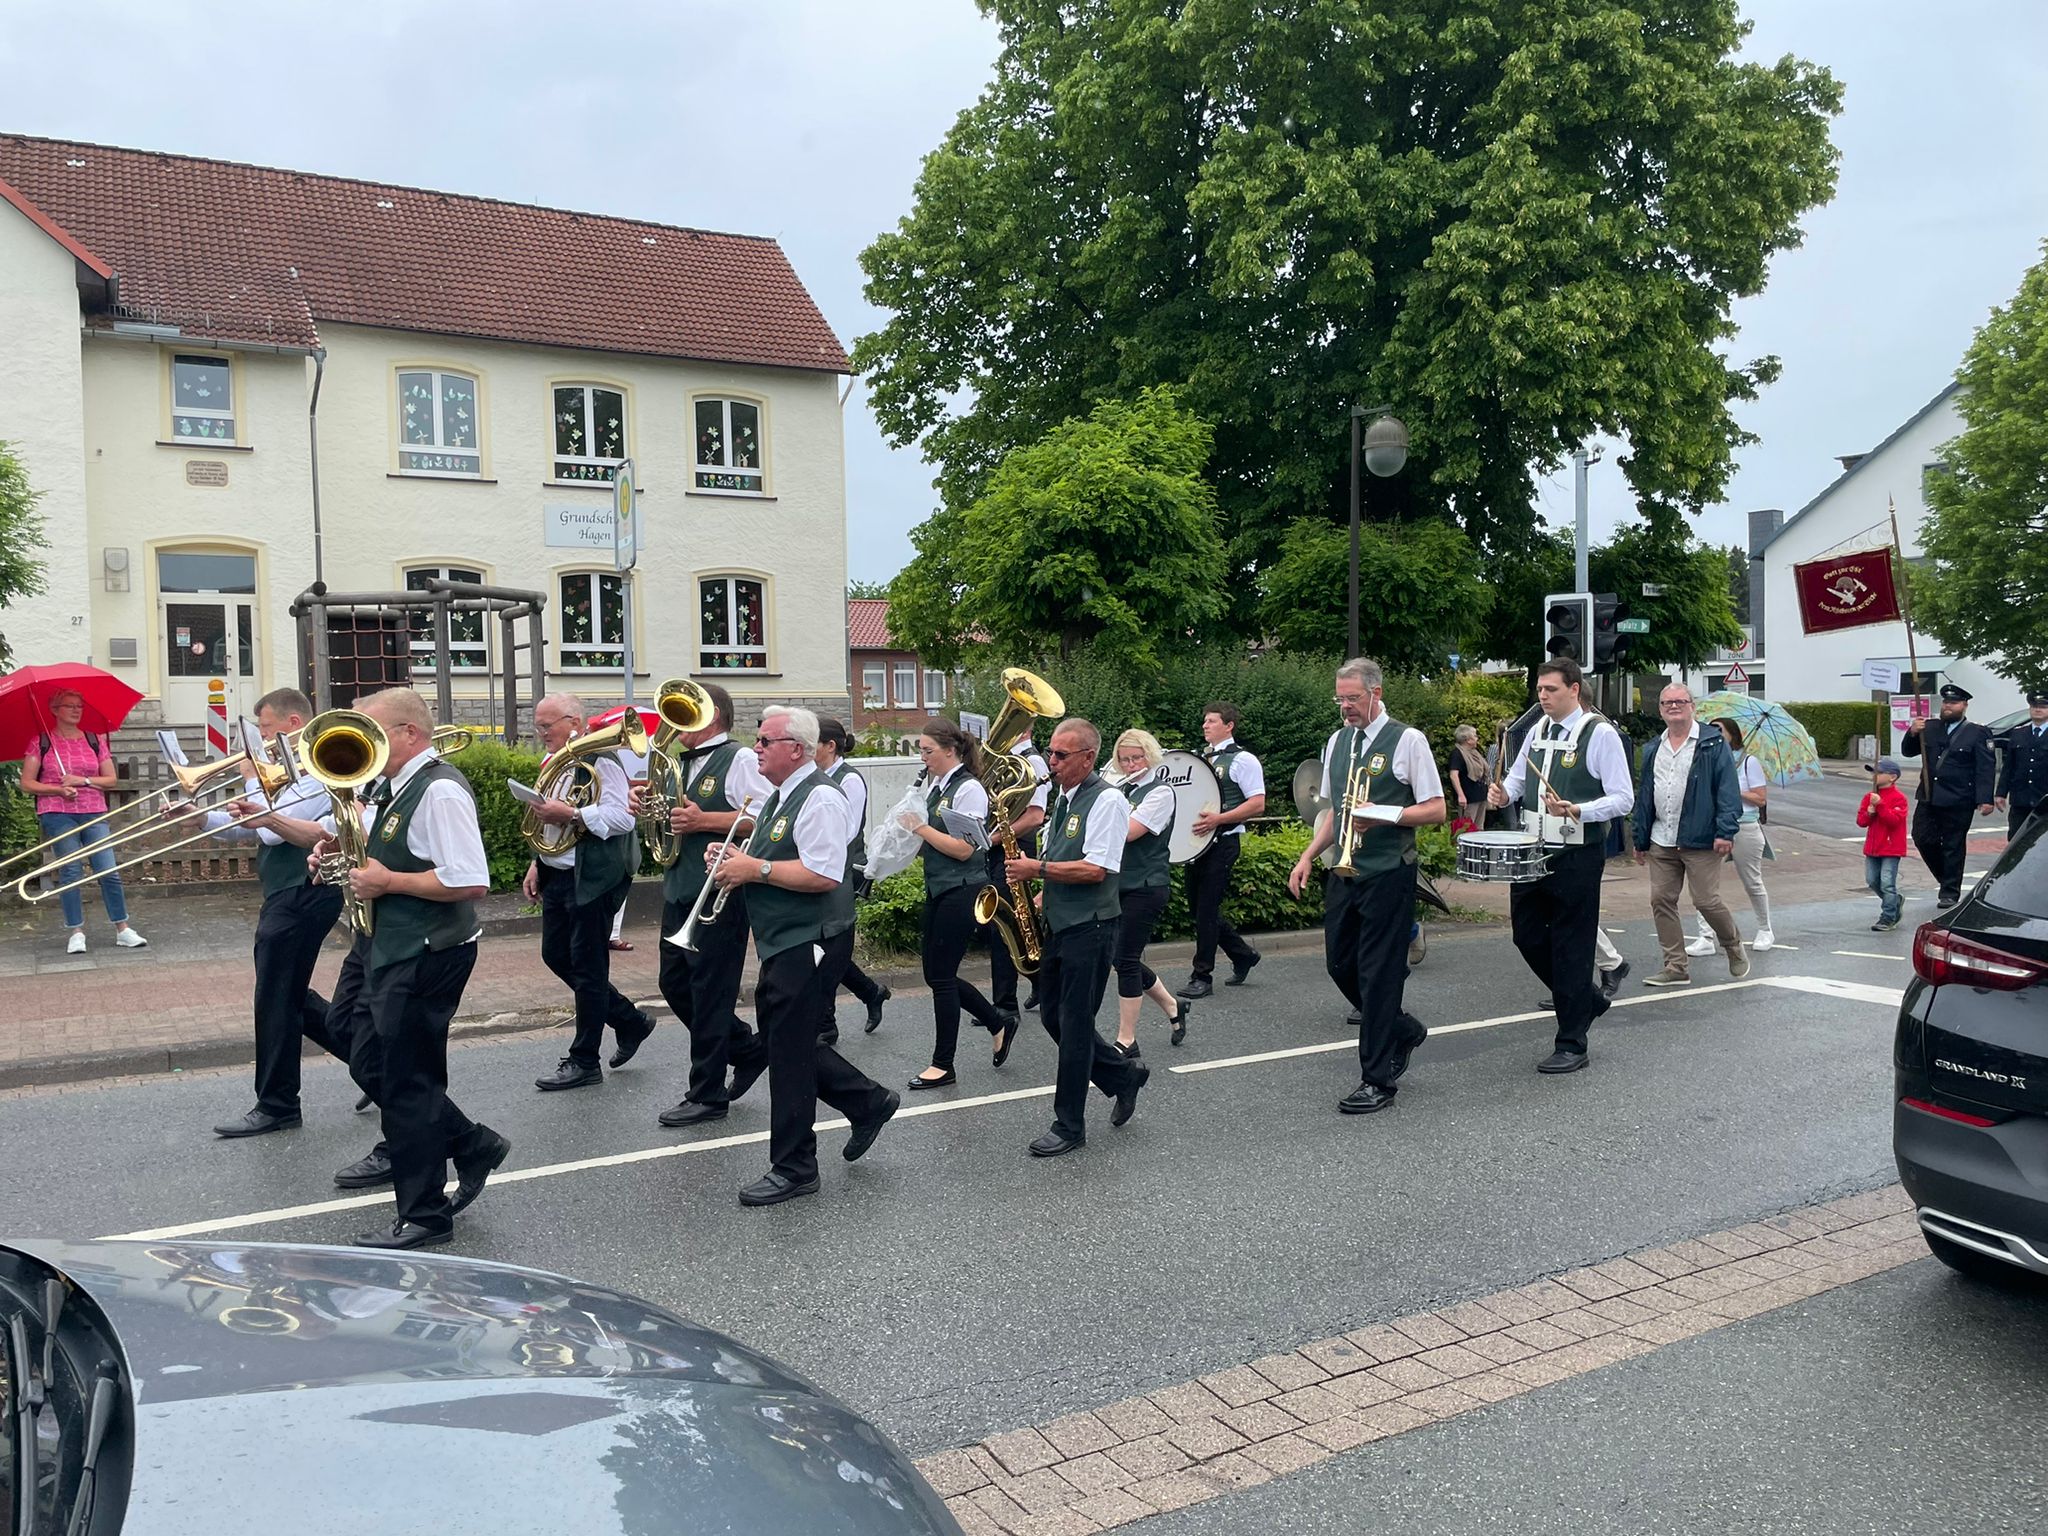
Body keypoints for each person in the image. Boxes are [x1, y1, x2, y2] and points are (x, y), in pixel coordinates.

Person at [307, 686, 509, 1250]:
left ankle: (424, 1215)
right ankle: (467, 1142)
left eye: (372, 732)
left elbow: (470, 880)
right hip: (381, 940)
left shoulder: (440, 790)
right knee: (352, 1039)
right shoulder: (390, 785)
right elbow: (386, 853)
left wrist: (388, 882)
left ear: (409, 734)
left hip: (426, 949)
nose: (360, 744)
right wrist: (335, 852)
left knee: (408, 1080)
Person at [704, 707, 898, 1206]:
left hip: (811, 937)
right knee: (780, 1039)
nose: (756, 749)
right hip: (784, 939)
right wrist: (732, 861)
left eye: (765, 741)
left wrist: (754, 869)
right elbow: (772, 854)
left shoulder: (821, 799)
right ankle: (868, 1101)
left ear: (797, 748)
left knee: (788, 1050)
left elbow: (823, 874)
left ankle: (795, 1167)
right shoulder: (779, 796)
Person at [1288, 658, 1444, 1114]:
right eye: (1340, 699)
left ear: (1375, 692)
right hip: (1344, 868)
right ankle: (1401, 1028)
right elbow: (1335, 810)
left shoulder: (1407, 740)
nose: (1345, 707)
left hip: (1389, 869)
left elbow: (1435, 808)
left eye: (1352, 698)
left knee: (1379, 974)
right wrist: (1307, 856)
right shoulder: (1337, 741)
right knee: (1340, 965)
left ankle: (1377, 1080)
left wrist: (1386, 813)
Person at [201, 688, 346, 1138]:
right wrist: (197, 819)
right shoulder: (282, 770)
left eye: (264, 730)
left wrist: (250, 778)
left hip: (307, 888)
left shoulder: (318, 767)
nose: (259, 739)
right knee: (289, 994)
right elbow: (249, 827)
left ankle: (278, 1103)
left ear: (293, 726)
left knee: (276, 996)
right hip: (284, 892)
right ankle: (376, 1062)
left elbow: (273, 829)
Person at [1006, 718, 1149, 1155]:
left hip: (1093, 926)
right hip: (1062, 923)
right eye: (1050, 752)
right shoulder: (1065, 799)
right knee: (1053, 1016)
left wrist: (1037, 870)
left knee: (1075, 1026)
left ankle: (1069, 1125)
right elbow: (1067, 855)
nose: (1052, 762)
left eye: (1061, 755)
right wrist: (1042, 891)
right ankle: (1123, 1075)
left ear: (1088, 758)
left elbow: (1098, 868)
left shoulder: (1107, 801)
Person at [633, 682, 773, 1128]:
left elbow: (767, 818)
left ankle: (707, 1093)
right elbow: (668, 822)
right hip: (680, 885)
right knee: (673, 983)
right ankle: (746, 1050)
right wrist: (646, 806)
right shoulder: (675, 763)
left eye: (685, 714)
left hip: (721, 889)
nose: (675, 724)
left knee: (710, 993)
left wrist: (704, 820)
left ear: (712, 716)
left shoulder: (742, 759)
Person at [1486, 657, 1635, 1073]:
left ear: (1574, 689)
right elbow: (1517, 779)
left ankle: (1572, 1042)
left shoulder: (1599, 734)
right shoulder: (1538, 729)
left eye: (1550, 690)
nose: (1542, 696)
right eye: (1539, 690)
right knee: (1527, 936)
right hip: (1533, 851)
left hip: (1576, 855)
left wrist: (1580, 810)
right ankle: (1585, 1001)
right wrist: (1503, 795)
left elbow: (1623, 798)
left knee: (1572, 947)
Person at [525, 693, 655, 1092]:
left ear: (574, 722)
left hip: (595, 877)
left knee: (589, 967)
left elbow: (622, 819)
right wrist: (537, 862)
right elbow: (545, 820)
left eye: (548, 725)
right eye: (538, 726)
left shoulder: (602, 762)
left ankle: (585, 1060)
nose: (541, 733)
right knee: (556, 955)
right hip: (559, 874)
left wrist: (573, 814)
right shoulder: (555, 762)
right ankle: (629, 1020)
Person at [900, 719, 1015, 1088]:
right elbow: (933, 842)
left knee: (943, 977)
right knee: (936, 974)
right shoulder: (937, 785)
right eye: (921, 750)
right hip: (940, 887)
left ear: (950, 751)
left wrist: (920, 828)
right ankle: (998, 1021)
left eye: (927, 750)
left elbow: (965, 849)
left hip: (964, 887)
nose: (923, 757)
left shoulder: (970, 790)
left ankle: (943, 1064)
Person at [1632, 685, 1746, 987]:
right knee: (1661, 899)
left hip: (1702, 839)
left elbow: (1727, 790)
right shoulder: (1653, 747)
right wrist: (1640, 838)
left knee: (1706, 900)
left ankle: (1732, 944)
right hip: (1662, 838)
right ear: (1660, 709)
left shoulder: (1711, 743)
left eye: (1680, 701)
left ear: (1692, 706)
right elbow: (1645, 794)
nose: (1673, 706)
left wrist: (1726, 831)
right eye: (1667, 702)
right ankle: (1675, 966)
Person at [20, 689, 147, 954]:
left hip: (93, 810)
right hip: (57, 812)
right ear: (54, 710)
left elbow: (110, 779)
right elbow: (27, 783)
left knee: (108, 870)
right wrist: (57, 789)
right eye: (70, 706)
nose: (77, 710)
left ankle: (122, 928)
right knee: (71, 872)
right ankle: (76, 931)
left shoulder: (94, 739)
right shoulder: (41, 741)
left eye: (80, 706)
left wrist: (83, 780)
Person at [1108, 729, 1194, 1054]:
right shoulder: (1120, 789)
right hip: (1118, 883)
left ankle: (1127, 1040)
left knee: (1125, 960)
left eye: (1137, 758)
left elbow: (1129, 832)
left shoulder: (1161, 793)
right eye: (1125, 759)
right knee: (1120, 958)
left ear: (1150, 757)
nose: (1131, 764)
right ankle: (1173, 1006)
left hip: (1146, 885)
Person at [1176, 703, 1267, 999]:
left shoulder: (1243, 760)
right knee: (1199, 909)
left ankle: (1202, 975)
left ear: (1229, 726)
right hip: (1198, 845)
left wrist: (1219, 819)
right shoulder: (1199, 759)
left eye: (1212, 721)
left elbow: (1257, 804)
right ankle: (1243, 955)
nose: (1205, 725)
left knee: (1205, 911)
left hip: (1224, 843)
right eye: (1204, 721)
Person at [814, 718, 890, 1040]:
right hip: (824, 868)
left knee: (831, 946)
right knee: (826, 948)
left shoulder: (850, 780)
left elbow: (844, 832)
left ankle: (826, 1026)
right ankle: (870, 993)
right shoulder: (817, 778)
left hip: (845, 868)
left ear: (830, 746)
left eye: (811, 742)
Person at [1901, 682, 1997, 907]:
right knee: (1922, 838)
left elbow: (1985, 767)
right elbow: (1908, 751)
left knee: (1953, 845)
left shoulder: (1977, 732)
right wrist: (1912, 732)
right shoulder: (1930, 727)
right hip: (1928, 795)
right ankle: (1946, 879)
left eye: (1953, 703)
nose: (1947, 706)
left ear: (1963, 706)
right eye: (1945, 702)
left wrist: (1985, 799)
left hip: (1959, 798)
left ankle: (1949, 893)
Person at [1688, 717, 1774, 955]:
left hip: (1744, 826)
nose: (1714, 733)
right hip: (1712, 828)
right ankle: (1705, 936)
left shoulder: (1748, 762)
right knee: (1704, 885)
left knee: (1752, 881)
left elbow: (1761, 798)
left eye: (1719, 729)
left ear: (1732, 735)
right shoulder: (1706, 760)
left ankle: (1765, 929)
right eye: (1711, 729)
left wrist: (1734, 790)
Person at [986, 732, 1050, 1020]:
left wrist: (996, 838)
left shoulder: (1033, 762)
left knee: (1005, 925)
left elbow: (1035, 816)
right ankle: (1040, 982)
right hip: (997, 846)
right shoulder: (1006, 761)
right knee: (1012, 926)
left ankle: (1005, 1006)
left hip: (1014, 848)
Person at [1858, 757, 1910, 931]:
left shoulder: (1899, 798)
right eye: (1873, 772)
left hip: (1890, 848)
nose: (1874, 776)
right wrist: (1869, 812)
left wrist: (1879, 806)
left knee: (1887, 882)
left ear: (1892, 777)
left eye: (1878, 773)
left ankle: (1888, 916)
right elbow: (1861, 821)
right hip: (1873, 847)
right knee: (1872, 880)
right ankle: (1894, 901)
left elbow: (1894, 821)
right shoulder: (1869, 797)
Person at [1994, 689, 2048, 839]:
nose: (2038, 710)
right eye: (2034, 706)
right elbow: (2009, 766)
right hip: (2021, 798)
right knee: (2015, 839)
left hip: (2044, 798)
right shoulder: (2018, 734)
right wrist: (2001, 793)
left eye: (2043, 707)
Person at [1446, 724, 1491, 831]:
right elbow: (1453, 775)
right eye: (1475, 736)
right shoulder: (1457, 754)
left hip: (1480, 795)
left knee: (1479, 828)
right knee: (1467, 828)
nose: (1477, 738)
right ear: (1468, 740)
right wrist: (1461, 795)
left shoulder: (1475, 752)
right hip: (1468, 798)